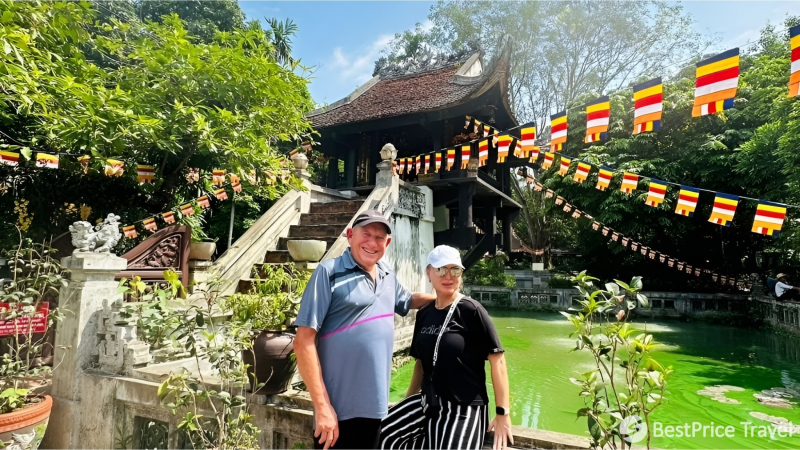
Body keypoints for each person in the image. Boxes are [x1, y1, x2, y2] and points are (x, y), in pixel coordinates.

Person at [294, 210, 436, 450]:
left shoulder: (387, 274)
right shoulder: (329, 273)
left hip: (376, 408)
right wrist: (322, 407)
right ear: (350, 235)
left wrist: (447, 298)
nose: (372, 243)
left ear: (387, 243)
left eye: (380, 238)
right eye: (366, 234)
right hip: (337, 411)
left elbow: (408, 300)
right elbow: (303, 342)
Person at [381, 245, 513, 450]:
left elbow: (498, 360)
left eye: (455, 270)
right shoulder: (425, 313)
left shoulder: (472, 310)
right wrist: (406, 402)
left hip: (464, 408)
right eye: (441, 270)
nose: (448, 276)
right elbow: (421, 365)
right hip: (429, 401)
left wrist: (503, 413)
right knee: (382, 433)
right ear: (429, 273)